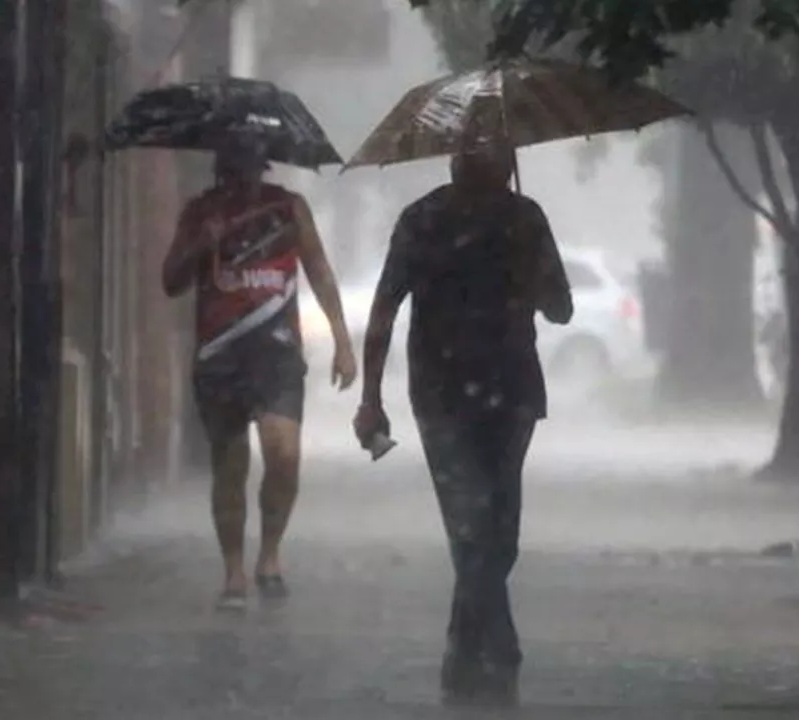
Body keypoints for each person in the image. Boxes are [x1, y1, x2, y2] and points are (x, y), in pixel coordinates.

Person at [353, 140, 573, 705]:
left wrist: (528, 270)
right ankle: (485, 646)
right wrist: (370, 397)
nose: (473, 164)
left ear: (501, 166)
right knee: (476, 523)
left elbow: (561, 307)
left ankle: (472, 637)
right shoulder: (430, 220)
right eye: (467, 155)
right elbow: (385, 306)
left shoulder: (521, 220)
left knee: (494, 530)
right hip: (453, 394)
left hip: (497, 391)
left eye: (484, 156)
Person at [163, 136, 356, 611]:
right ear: (220, 171)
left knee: (283, 454)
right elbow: (171, 281)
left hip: (277, 353)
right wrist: (199, 246)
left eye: (249, 171)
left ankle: (269, 553)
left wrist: (342, 341)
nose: (242, 181)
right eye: (232, 171)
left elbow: (319, 270)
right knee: (229, 465)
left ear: (262, 169)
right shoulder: (199, 212)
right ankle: (233, 571)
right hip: (220, 354)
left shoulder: (288, 209)